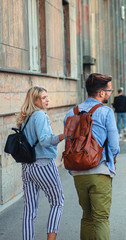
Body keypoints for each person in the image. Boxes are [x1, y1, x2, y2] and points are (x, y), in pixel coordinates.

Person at [64, 73, 120, 240]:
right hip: (99, 170)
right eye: (109, 90)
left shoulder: (71, 112)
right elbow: (114, 145)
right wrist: (112, 161)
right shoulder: (106, 112)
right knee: (101, 219)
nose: (110, 93)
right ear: (101, 93)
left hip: (78, 173)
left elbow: (68, 142)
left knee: (87, 217)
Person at [16, 86, 65, 240]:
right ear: (35, 100)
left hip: (27, 167)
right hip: (43, 165)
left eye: (47, 97)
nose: (47, 100)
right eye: (43, 98)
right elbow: (44, 141)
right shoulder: (40, 116)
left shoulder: (24, 118)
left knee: (29, 209)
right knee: (57, 201)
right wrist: (63, 135)